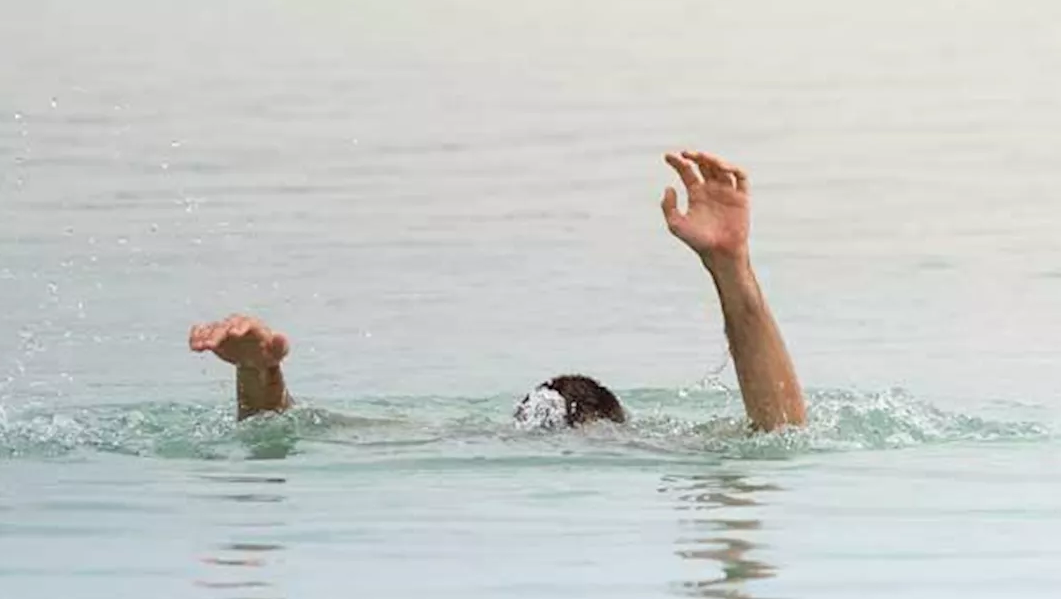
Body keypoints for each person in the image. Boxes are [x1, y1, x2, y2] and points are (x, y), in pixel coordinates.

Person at [189, 150, 806, 432]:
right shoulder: (652, 450)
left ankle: (257, 373)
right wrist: (734, 271)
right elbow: (782, 432)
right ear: (616, 427)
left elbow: (294, 431)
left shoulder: (458, 437)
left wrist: (259, 379)